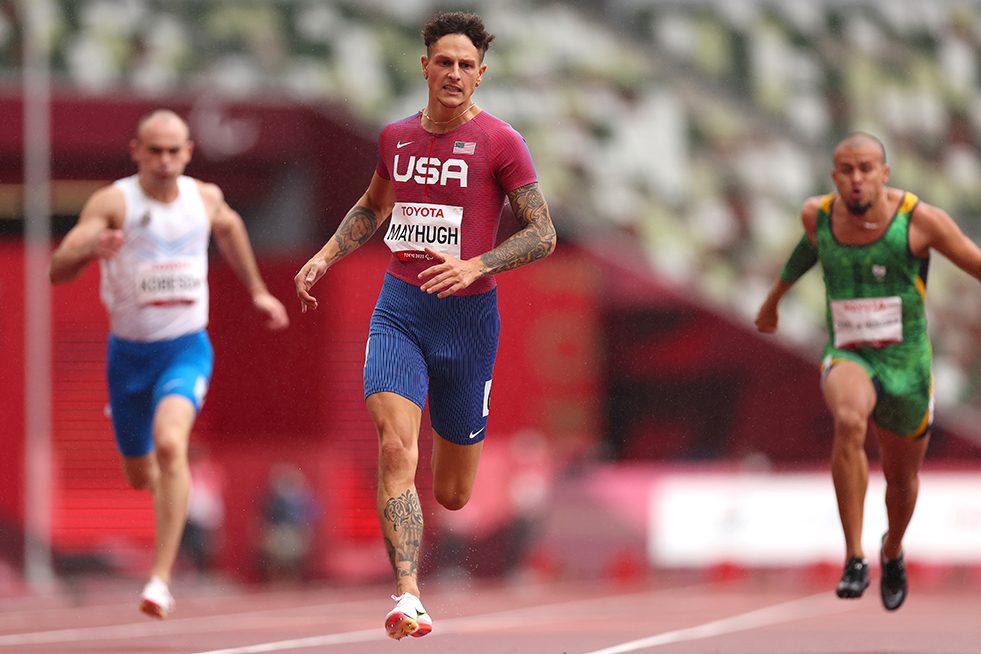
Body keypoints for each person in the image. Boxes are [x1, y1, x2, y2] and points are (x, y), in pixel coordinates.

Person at [294, 10, 556, 640]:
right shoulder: (396, 139)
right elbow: (372, 206)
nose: (454, 74)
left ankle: (434, 520)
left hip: (468, 320)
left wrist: (477, 265)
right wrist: (325, 256)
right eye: (444, 62)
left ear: (481, 75)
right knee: (393, 447)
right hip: (401, 309)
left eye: (467, 65)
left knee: (454, 495)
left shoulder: (501, 142)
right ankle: (408, 594)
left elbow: (543, 233)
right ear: (425, 66)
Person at [49, 109, 289, 618]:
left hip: (184, 347)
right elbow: (58, 266)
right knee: (141, 475)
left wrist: (259, 291)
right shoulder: (114, 201)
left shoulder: (204, 198)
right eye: (153, 151)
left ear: (187, 153)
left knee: (171, 443)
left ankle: (160, 578)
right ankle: (165, 496)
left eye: (172, 151)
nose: (163, 161)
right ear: (136, 151)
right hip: (128, 357)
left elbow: (231, 227)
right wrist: (92, 246)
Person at [755, 132, 981, 611]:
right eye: (846, 170)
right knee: (850, 419)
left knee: (901, 483)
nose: (856, 179)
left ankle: (892, 549)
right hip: (850, 352)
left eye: (865, 169)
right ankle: (854, 556)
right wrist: (774, 299)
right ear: (834, 176)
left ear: (885, 174)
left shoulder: (920, 222)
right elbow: (806, 250)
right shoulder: (816, 216)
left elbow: (974, 261)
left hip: (907, 366)